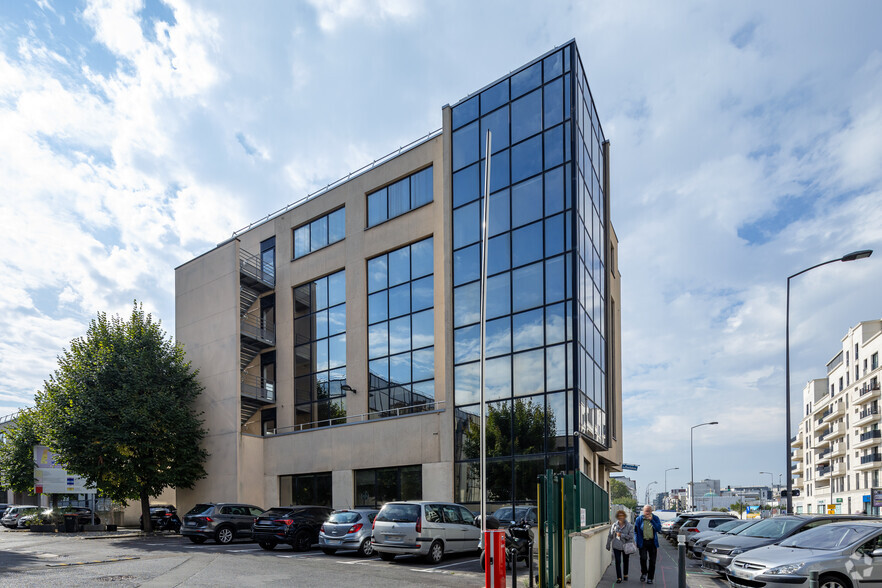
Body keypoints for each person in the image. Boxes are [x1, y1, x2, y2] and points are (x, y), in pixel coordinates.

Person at [634, 505, 661, 584]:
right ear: (643, 511)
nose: (647, 513)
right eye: (646, 511)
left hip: (652, 542)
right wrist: (637, 541)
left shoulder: (655, 518)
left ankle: (650, 578)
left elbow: (658, 529)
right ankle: (644, 572)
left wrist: (652, 520)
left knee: (652, 561)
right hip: (643, 542)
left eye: (649, 511)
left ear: (651, 511)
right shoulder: (639, 519)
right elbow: (636, 531)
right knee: (643, 558)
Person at [606, 510, 635, 583]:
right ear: (617, 517)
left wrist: (621, 535)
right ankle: (619, 577)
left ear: (624, 516)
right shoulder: (614, 525)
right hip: (616, 546)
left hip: (626, 546)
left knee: (626, 561)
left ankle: (625, 575)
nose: (621, 517)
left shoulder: (629, 526)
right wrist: (608, 544)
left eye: (622, 516)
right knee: (618, 561)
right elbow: (610, 535)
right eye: (619, 516)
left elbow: (631, 537)